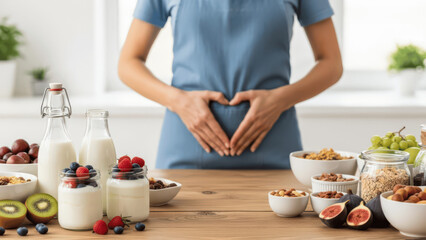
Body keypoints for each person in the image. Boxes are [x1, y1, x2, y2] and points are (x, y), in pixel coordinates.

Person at [118, 0, 343, 169]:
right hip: (185, 155)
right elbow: (128, 63)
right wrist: (179, 102)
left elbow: (331, 63)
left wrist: (279, 100)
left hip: (274, 153)